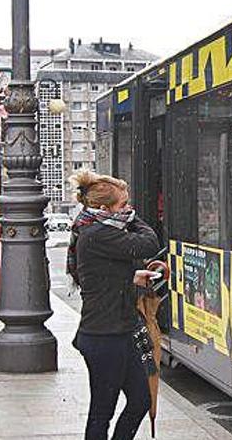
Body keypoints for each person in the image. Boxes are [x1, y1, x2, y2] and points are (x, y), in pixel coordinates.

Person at [68, 170, 163, 440]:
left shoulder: (101, 230)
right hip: (104, 337)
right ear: (103, 208)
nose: (129, 209)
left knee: (141, 400)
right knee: (102, 411)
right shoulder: (97, 233)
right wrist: (133, 219)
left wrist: (131, 277)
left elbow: (102, 273)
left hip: (120, 331)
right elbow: (149, 244)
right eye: (123, 205)